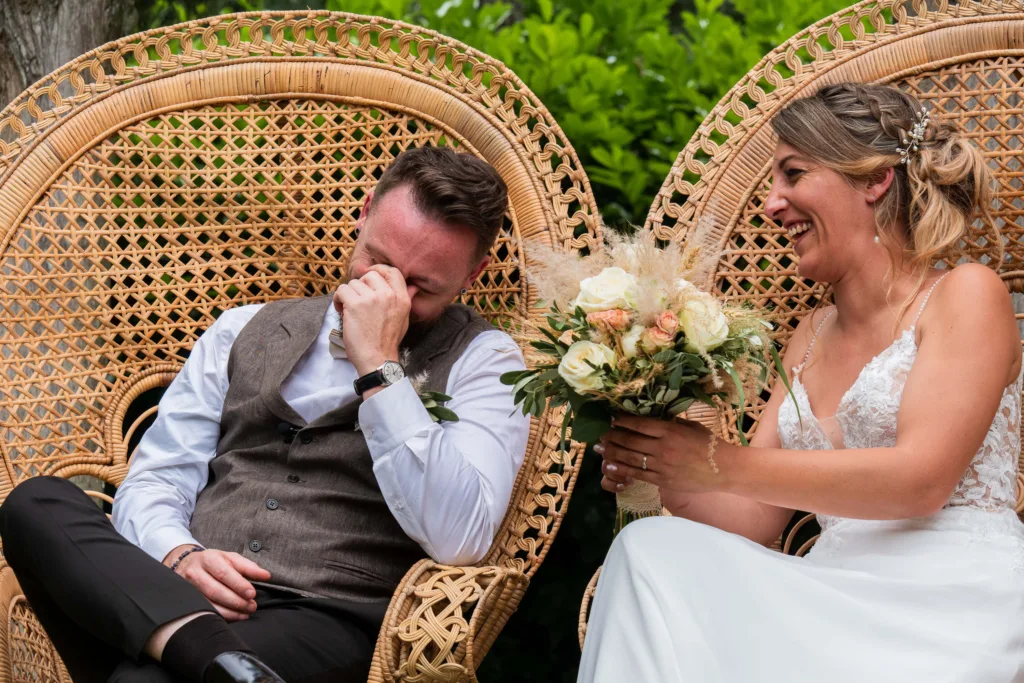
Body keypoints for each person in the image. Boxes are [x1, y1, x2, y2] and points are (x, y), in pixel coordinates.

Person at [0, 146, 531, 683]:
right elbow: (158, 478)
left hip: (325, 616)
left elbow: (461, 537)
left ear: (473, 274)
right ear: (365, 211)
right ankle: (213, 658)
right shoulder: (241, 328)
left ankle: (195, 656)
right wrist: (179, 557)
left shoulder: (486, 363)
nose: (387, 291)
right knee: (34, 504)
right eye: (379, 262)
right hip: (173, 591)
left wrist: (380, 369)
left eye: (420, 287)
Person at [579, 82, 1024, 682]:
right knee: (646, 551)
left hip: (952, 597)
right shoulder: (809, 334)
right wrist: (662, 467)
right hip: (828, 590)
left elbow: (922, 480)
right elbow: (760, 517)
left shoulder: (966, 294)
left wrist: (716, 463)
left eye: (793, 174)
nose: (771, 203)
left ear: (873, 180)